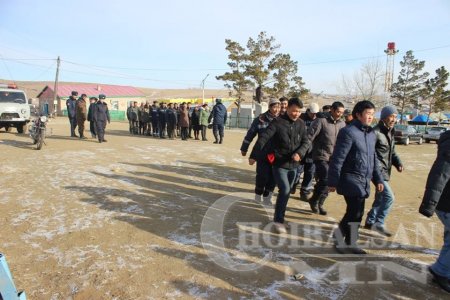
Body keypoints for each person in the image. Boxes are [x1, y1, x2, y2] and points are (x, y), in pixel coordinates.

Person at [328, 100, 384, 254]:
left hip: (363, 179)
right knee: (355, 211)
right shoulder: (348, 132)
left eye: (372, 114)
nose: (371, 117)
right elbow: (338, 158)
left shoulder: (371, 133)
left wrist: (378, 179)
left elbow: (373, 159)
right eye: (368, 114)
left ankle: (348, 241)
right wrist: (332, 181)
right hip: (350, 178)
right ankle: (342, 240)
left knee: (356, 212)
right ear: (358, 114)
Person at [249, 97, 310, 234]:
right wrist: (254, 155)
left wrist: (300, 153)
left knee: (286, 193)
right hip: (279, 164)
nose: (296, 114)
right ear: (287, 108)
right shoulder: (277, 122)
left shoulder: (301, 124)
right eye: (294, 111)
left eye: (299, 111)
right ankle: (278, 221)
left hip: (294, 165)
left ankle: (280, 217)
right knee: (285, 190)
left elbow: (306, 142)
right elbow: (263, 139)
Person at [364, 105, 403, 237]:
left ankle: (370, 220)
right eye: (391, 116)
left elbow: (392, 152)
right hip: (377, 172)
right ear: (384, 117)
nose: (393, 119)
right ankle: (378, 223)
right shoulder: (375, 132)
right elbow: (370, 154)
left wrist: (398, 163)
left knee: (380, 197)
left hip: (386, 170)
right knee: (389, 197)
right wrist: (375, 172)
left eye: (395, 117)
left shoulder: (391, 131)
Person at [419, 130, 450, 293]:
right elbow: (440, 174)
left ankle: (444, 270)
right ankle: (441, 271)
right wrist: (429, 203)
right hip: (447, 203)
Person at [307, 101, 345, 215]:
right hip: (321, 155)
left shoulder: (342, 124)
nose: (339, 114)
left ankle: (320, 203)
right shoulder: (321, 121)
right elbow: (309, 137)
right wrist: (302, 152)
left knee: (331, 181)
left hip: (334, 157)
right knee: (326, 178)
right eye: (338, 111)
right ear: (332, 110)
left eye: (341, 112)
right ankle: (314, 199)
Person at [241, 98, 280, 205]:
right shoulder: (261, 119)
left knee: (273, 177)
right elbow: (250, 134)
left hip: (277, 154)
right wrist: (244, 148)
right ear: (270, 107)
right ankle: (258, 194)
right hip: (262, 152)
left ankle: (267, 197)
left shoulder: (282, 119)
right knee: (262, 176)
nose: (276, 110)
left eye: (278, 107)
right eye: (274, 107)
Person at [292, 102, 319, 200]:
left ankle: (304, 192)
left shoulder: (319, 121)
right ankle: (293, 184)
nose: (314, 115)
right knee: (296, 171)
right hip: (299, 150)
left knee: (310, 173)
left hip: (312, 152)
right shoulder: (300, 119)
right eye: (312, 113)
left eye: (316, 113)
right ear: (308, 111)